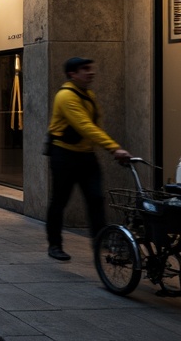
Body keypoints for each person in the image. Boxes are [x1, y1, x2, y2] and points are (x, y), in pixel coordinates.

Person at [45, 57, 131, 261]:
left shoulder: (88, 94)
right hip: (63, 155)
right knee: (60, 201)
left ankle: (100, 239)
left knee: (96, 198)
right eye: (85, 69)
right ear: (72, 74)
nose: (90, 72)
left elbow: (95, 125)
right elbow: (84, 125)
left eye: (90, 68)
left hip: (85, 156)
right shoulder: (65, 96)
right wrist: (113, 148)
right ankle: (55, 245)